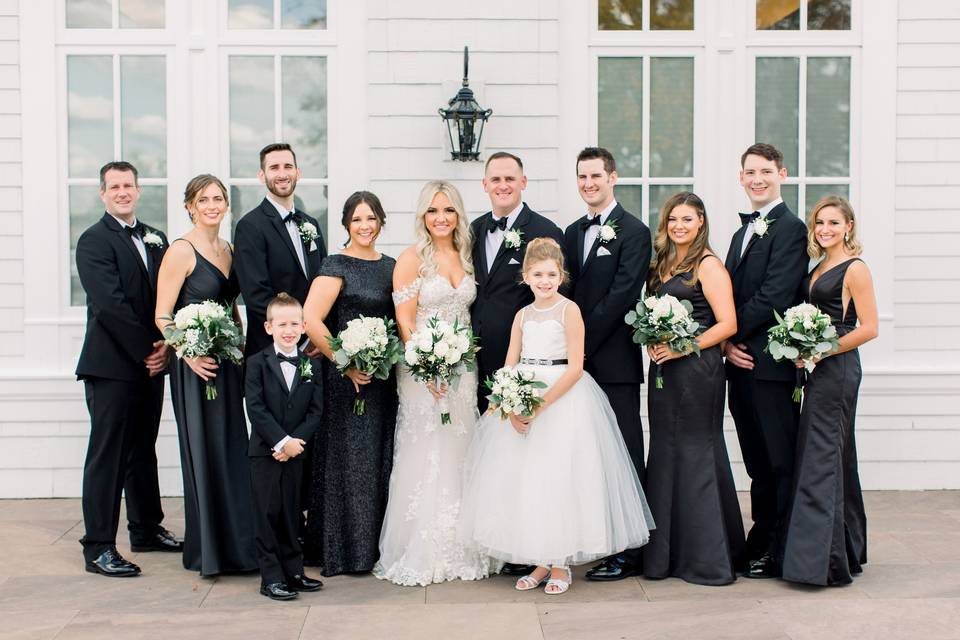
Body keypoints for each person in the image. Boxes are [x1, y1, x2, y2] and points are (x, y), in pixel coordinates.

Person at [460, 238, 654, 595]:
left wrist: (539, 405)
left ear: (561, 276)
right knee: (529, 481)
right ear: (526, 276)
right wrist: (509, 404)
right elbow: (510, 363)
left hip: (562, 399)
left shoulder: (569, 311)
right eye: (538, 274)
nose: (545, 281)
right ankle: (539, 559)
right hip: (523, 393)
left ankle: (561, 562)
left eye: (551, 274)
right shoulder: (522, 315)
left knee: (561, 480)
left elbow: (576, 368)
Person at [373, 181, 499, 586]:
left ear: (458, 214)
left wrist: (452, 363)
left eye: (447, 210)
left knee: (460, 446)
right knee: (424, 447)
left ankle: (464, 543)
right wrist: (426, 367)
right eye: (432, 211)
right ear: (422, 217)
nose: (441, 218)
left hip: (463, 368)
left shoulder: (467, 255)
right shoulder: (411, 259)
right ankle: (420, 546)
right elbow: (405, 321)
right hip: (421, 369)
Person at [75, 161, 182, 577]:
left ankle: (146, 528)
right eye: (114, 186)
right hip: (112, 367)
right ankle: (98, 546)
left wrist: (169, 346)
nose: (122, 192)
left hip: (151, 365)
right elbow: (110, 306)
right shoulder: (92, 241)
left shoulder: (156, 239)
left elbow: (169, 296)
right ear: (103, 193)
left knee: (143, 449)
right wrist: (149, 350)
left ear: (138, 191)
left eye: (128, 185)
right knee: (108, 456)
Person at [641, 192, 746, 585]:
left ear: (701, 222)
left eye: (687, 219)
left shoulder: (709, 265)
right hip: (664, 371)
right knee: (665, 451)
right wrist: (654, 340)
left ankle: (707, 556)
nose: (679, 226)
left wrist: (683, 345)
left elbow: (727, 324)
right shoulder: (661, 266)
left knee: (696, 451)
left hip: (697, 371)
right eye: (673, 220)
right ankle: (666, 554)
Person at [155, 174, 257, 576]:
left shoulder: (228, 250)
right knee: (203, 450)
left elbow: (231, 308)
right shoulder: (181, 251)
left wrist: (242, 349)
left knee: (232, 448)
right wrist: (187, 354)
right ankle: (209, 551)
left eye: (218, 198)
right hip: (195, 369)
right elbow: (162, 314)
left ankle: (238, 545)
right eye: (204, 199)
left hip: (228, 363)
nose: (212, 205)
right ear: (190, 206)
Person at [563, 147, 651, 581]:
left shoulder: (634, 232)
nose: (588, 184)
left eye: (595, 176)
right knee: (586, 457)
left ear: (613, 177)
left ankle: (631, 551)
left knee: (625, 453)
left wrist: (580, 344)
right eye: (582, 177)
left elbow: (622, 295)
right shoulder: (572, 231)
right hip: (575, 368)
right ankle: (597, 540)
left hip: (613, 363)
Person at [782, 196, 877, 586]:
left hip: (837, 370)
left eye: (834, 223)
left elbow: (869, 327)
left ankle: (822, 562)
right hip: (817, 369)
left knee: (821, 456)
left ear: (848, 227)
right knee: (831, 454)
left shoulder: (856, 269)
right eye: (820, 223)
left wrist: (822, 351)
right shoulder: (818, 266)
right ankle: (844, 548)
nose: (825, 230)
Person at [723, 143, 808, 579]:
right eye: (749, 172)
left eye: (765, 171)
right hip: (738, 367)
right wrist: (725, 346)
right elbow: (730, 295)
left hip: (771, 369)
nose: (757, 178)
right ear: (741, 178)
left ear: (782, 174)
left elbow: (773, 296)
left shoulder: (791, 229)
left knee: (778, 460)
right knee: (756, 462)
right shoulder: (741, 234)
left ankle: (781, 547)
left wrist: (726, 332)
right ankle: (763, 537)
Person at [302, 192, 398, 576]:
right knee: (347, 460)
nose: (365, 226)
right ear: (346, 224)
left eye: (372, 218)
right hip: (346, 382)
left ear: (381, 221)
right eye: (358, 219)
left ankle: (371, 547)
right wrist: (345, 362)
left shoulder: (391, 266)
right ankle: (342, 550)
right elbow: (311, 318)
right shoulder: (336, 264)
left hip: (381, 380)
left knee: (378, 459)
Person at [245, 293, 326, 600]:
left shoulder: (311, 366)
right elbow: (256, 408)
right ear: (269, 328)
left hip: (296, 453)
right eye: (282, 324)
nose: (288, 330)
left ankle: (294, 570)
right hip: (265, 453)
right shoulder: (256, 364)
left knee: (292, 513)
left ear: (304, 327)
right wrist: (281, 441)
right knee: (268, 514)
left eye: (294, 323)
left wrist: (295, 444)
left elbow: (315, 412)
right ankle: (271, 578)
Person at [234, 143, 328, 357]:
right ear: (262, 175)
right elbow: (256, 294)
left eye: (288, 166)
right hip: (270, 351)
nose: (282, 173)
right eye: (274, 167)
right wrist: (298, 334)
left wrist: (318, 334)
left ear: (298, 172)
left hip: (315, 350)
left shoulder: (310, 223)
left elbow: (323, 283)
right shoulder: (249, 226)